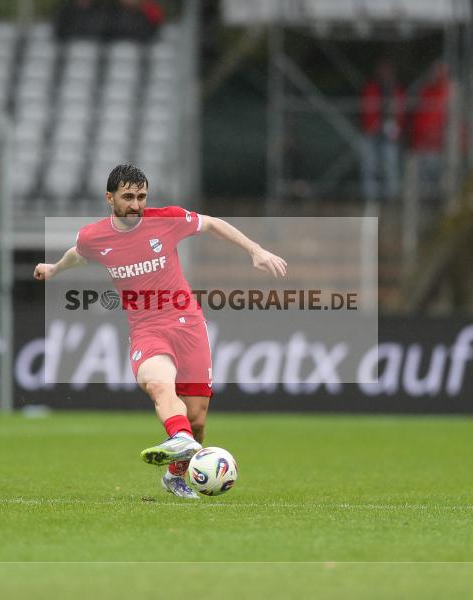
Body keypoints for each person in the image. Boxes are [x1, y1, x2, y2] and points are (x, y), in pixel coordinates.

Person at [34, 164, 287, 499]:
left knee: (197, 419)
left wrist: (255, 250)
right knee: (158, 384)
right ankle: (178, 437)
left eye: (141, 197)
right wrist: (54, 268)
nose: (136, 205)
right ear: (109, 198)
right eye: (128, 197)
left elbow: (211, 223)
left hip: (189, 325)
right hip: (147, 329)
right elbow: (77, 255)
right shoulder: (94, 237)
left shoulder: (165, 220)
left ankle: (175, 474)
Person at [359, 60, 405, 202]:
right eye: (381, 72)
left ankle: (390, 195)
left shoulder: (396, 89)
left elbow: (400, 112)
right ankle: (370, 195)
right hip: (372, 130)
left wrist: (396, 126)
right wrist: (372, 124)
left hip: (389, 130)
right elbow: (366, 110)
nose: (384, 75)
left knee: (389, 163)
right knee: (370, 164)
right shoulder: (371, 88)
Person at [410, 61, 450, 202]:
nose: (433, 76)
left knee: (439, 179)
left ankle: (438, 203)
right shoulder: (426, 92)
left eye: (438, 73)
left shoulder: (448, 92)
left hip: (437, 145)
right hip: (422, 143)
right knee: (423, 183)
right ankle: (425, 205)